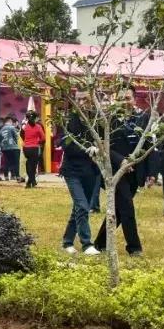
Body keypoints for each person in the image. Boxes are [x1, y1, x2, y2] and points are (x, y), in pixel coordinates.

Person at [59, 110, 99, 256]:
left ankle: (67, 241)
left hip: (90, 171)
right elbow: (65, 145)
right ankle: (87, 244)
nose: (82, 102)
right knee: (82, 206)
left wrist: (98, 146)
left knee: (80, 207)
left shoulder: (97, 119)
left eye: (85, 99)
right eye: (79, 99)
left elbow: (103, 140)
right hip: (72, 172)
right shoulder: (67, 120)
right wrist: (88, 148)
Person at [21, 110, 46, 188]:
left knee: (28, 163)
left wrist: (26, 140)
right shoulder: (38, 127)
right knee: (33, 165)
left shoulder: (24, 126)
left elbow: (21, 135)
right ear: (35, 118)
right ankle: (32, 180)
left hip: (26, 148)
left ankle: (29, 182)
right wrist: (38, 141)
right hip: (34, 148)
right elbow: (43, 138)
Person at [0, 115, 22, 182]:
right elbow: (16, 137)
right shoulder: (12, 127)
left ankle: (6, 176)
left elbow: (0, 139)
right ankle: (17, 176)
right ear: (10, 121)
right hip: (14, 147)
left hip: (4, 148)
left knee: (6, 162)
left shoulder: (1, 129)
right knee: (16, 162)